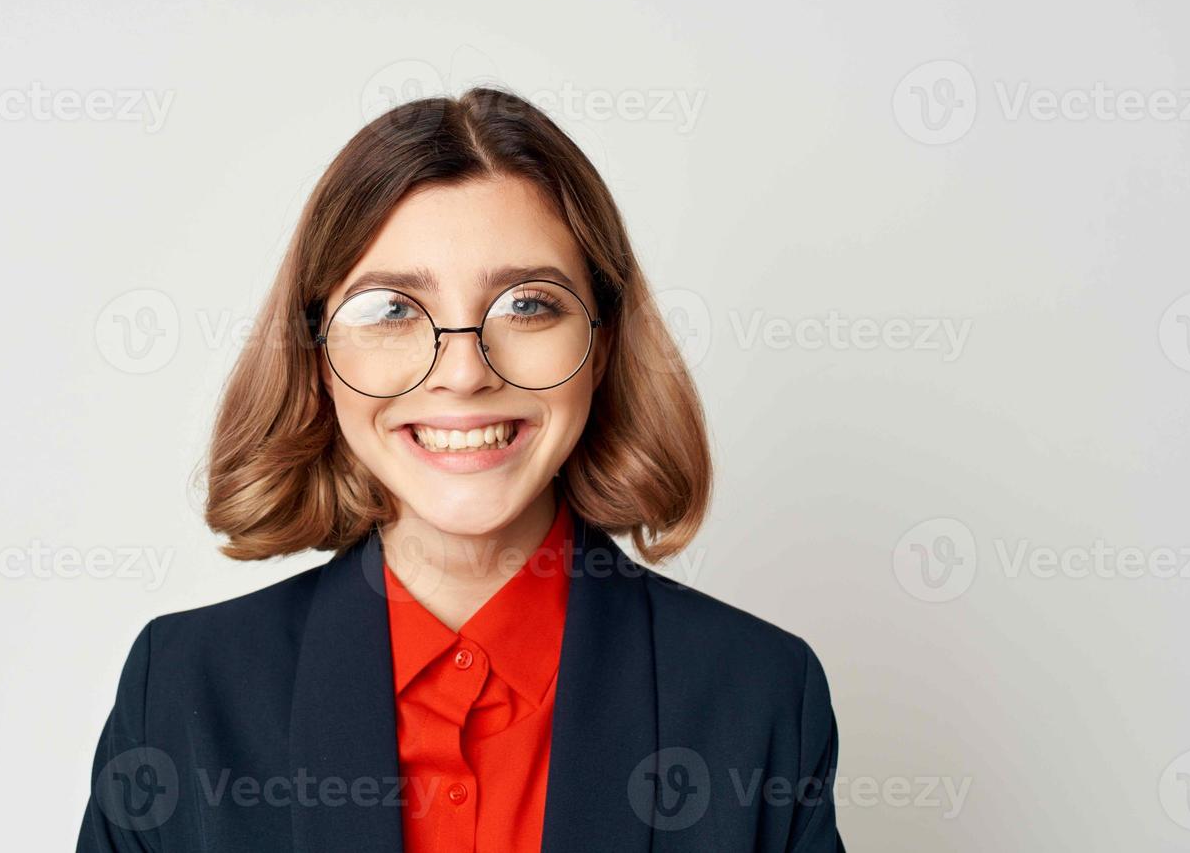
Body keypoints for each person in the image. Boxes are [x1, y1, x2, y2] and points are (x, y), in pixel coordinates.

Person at [75, 87, 845, 852]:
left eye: (528, 305)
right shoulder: (180, 691)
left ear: (603, 344)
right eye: (391, 311)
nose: (464, 372)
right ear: (318, 359)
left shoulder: (763, 697)